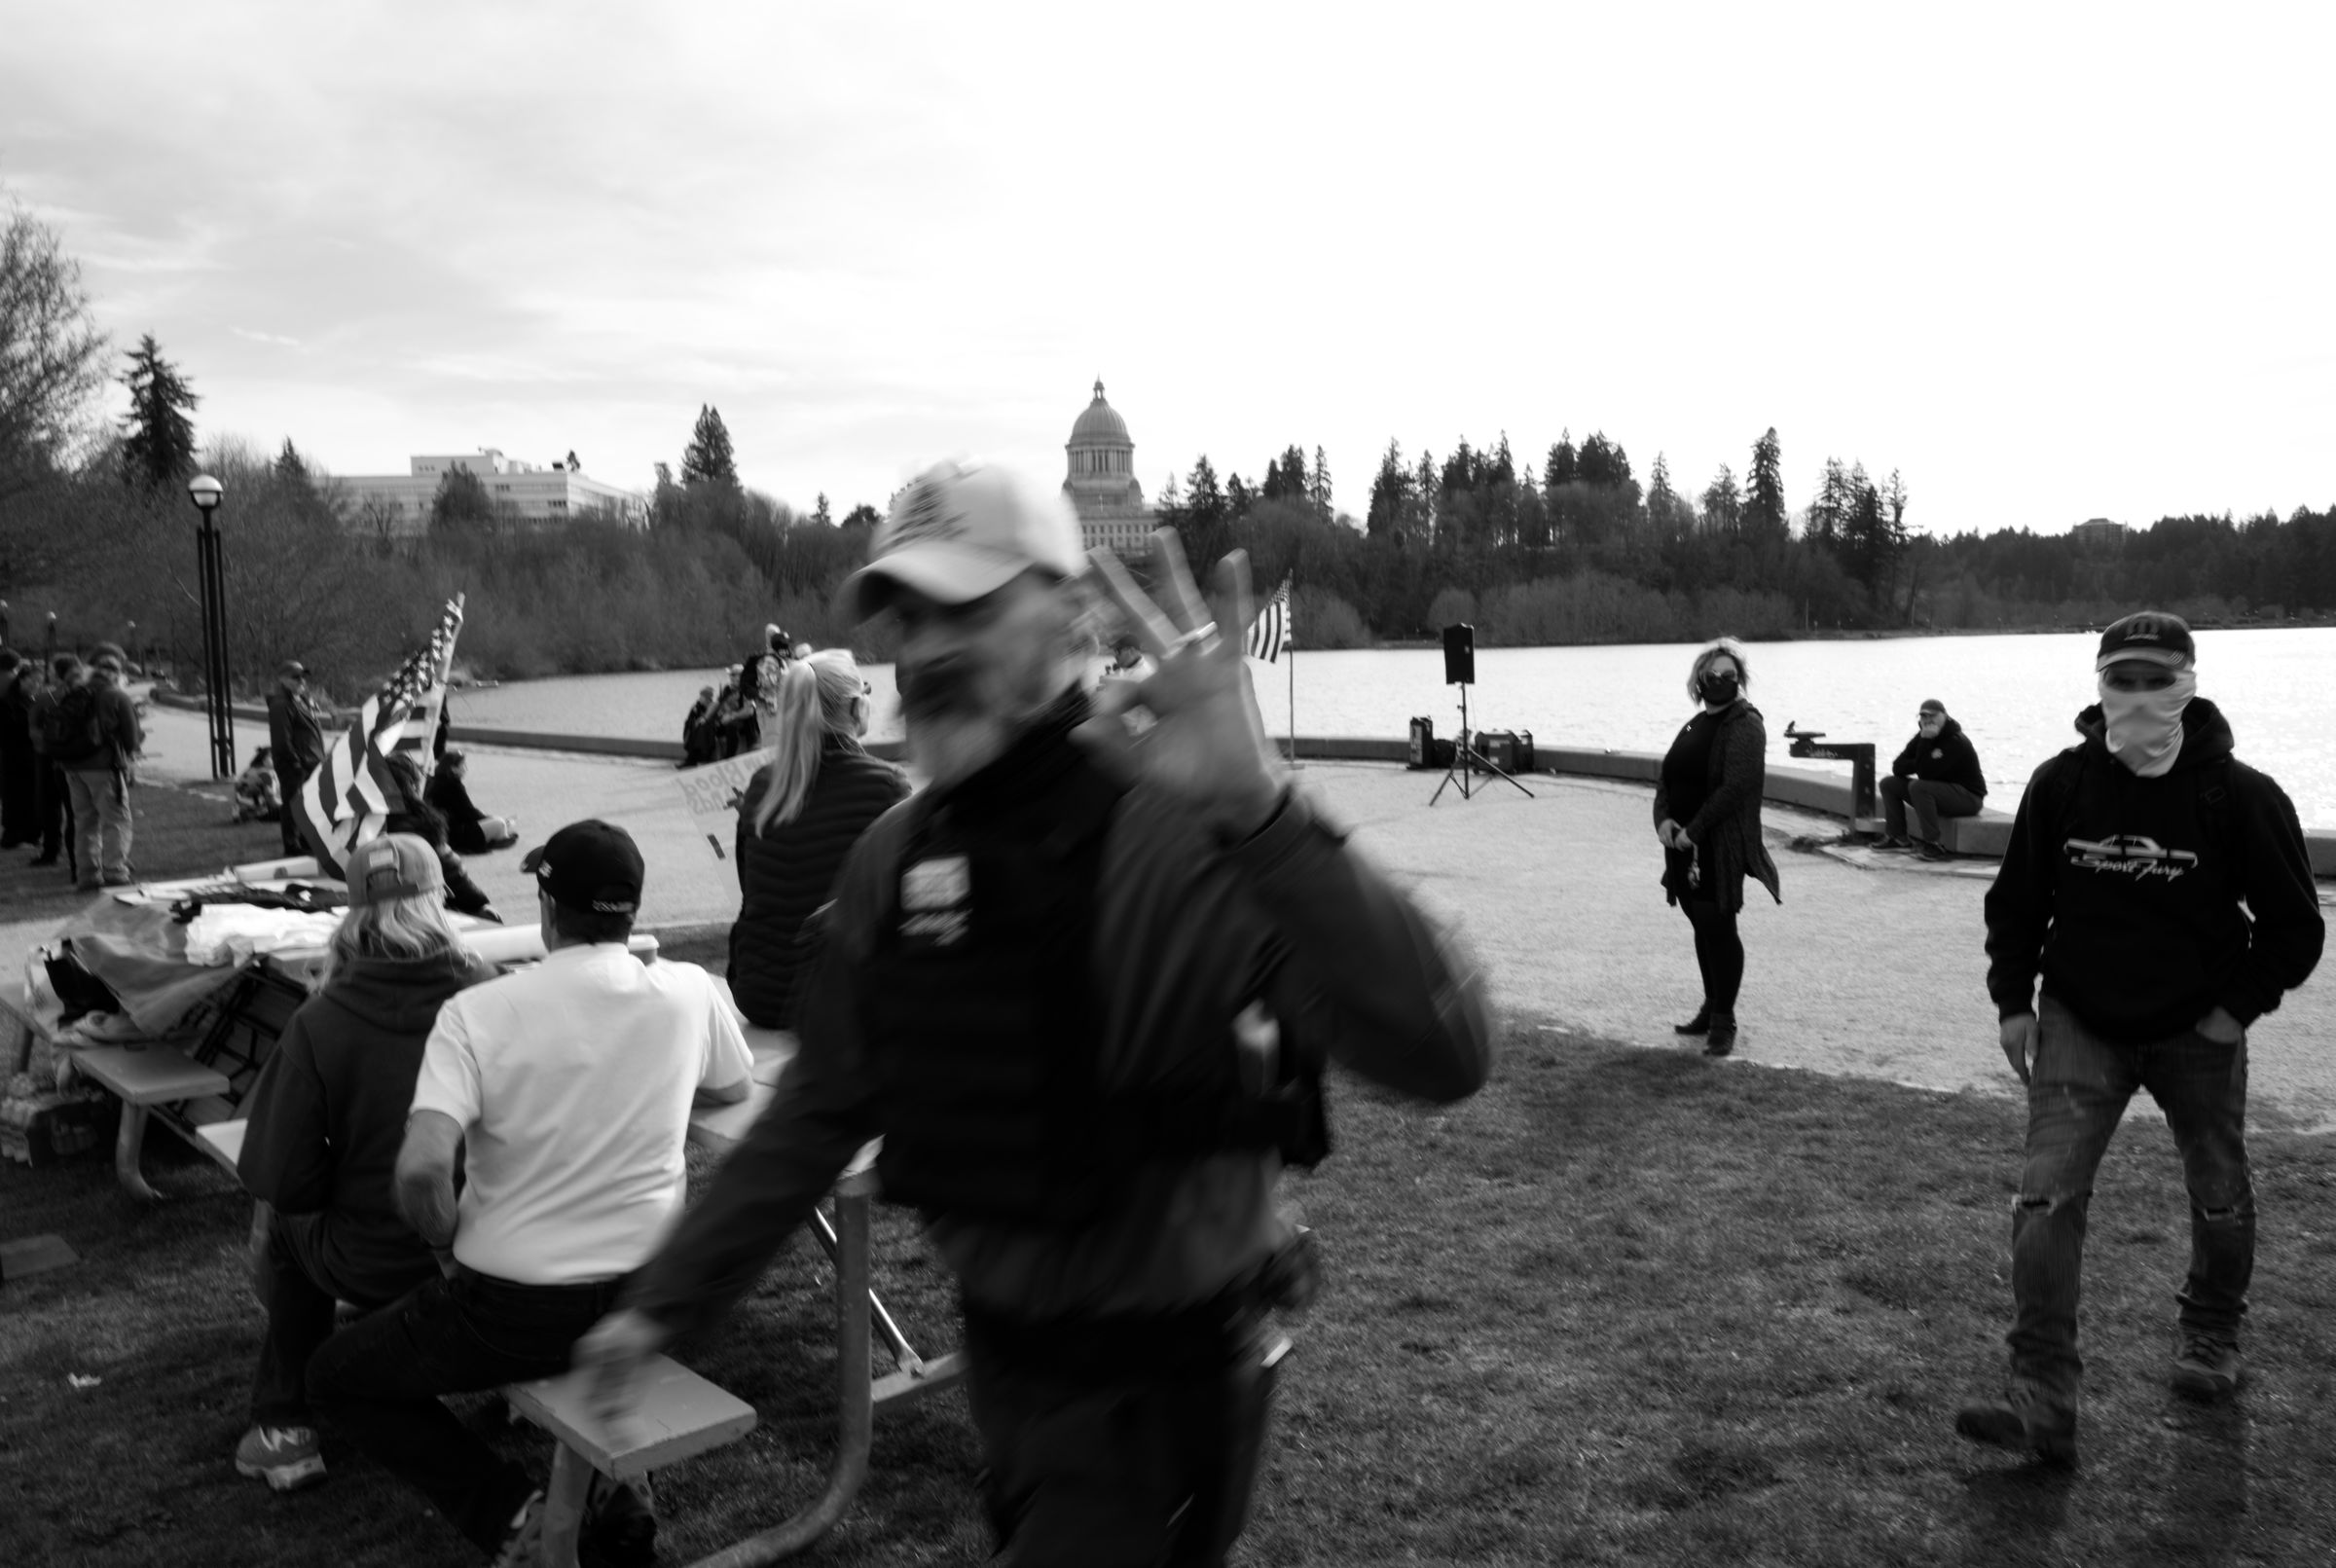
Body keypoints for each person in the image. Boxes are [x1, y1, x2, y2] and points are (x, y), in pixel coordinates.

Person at [574, 458, 1492, 1566]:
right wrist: (662, 1305)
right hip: (1012, 1375)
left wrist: (1260, 813)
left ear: (1068, 614)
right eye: (904, 618)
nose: (922, 652)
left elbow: (1447, 1052)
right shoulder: (895, 857)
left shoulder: (1176, 828)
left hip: (1158, 1397)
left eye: (964, 606)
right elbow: (817, 1109)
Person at [307, 820, 753, 1565]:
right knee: (562, 1351)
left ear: (547, 907)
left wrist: (444, 1244)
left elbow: (421, 1170)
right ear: (632, 908)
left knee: (336, 1378)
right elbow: (734, 1082)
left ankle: (516, 1517)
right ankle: (620, 1490)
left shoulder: (479, 1012)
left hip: (511, 1308)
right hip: (649, 1297)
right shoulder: (687, 989)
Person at [1958, 611, 2322, 1464]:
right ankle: (2042, 1400)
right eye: (2122, 678)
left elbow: (2295, 928)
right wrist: (2016, 1002)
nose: (2139, 695)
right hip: (2082, 1020)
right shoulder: (2060, 786)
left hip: (2199, 1027)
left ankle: (2210, 1336)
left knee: (2219, 1189)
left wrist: (2234, 1008)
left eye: (2157, 678)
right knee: (2045, 1202)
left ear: (2189, 680)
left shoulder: (2241, 795)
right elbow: (2015, 905)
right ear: (2099, 684)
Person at [232, 833, 497, 1492]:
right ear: (439, 900)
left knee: (286, 1226)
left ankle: (284, 1427)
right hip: (497, 1244)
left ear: (353, 914)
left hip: (380, 1254)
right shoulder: (495, 996)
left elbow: (280, 1177)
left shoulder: (321, 1020)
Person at [727, 649, 908, 1029]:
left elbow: (749, 889)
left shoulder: (763, 784)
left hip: (759, 993)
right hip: (845, 998)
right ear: (858, 708)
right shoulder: (887, 785)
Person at [1653, 637, 1781, 1059]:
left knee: (1720, 928)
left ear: (1739, 680)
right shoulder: (1694, 724)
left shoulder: (1745, 724)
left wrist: (1695, 830)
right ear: (1700, 681)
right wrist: (1664, 820)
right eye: (1713, 676)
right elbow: (1667, 777)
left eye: (1729, 675)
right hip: (1680, 844)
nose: (1721, 681)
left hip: (1718, 846)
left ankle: (1724, 1020)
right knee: (1700, 924)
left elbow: (1735, 788)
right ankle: (1710, 1006)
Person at [55, 645, 142, 890]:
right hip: (104, 767)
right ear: (116, 674)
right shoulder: (116, 696)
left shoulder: (75, 691)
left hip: (72, 767)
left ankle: (88, 873)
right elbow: (132, 740)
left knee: (84, 821)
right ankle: (115, 871)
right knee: (116, 820)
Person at [381, 753, 497, 920]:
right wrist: (480, 903)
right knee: (498, 824)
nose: (465, 769)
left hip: (378, 915)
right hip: (421, 914)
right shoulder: (421, 824)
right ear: (411, 786)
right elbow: (453, 874)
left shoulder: (361, 825)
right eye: (462, 765)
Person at [1878, 699, 1988, 859]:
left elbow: (1926, 773)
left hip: (1968, 798)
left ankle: (1933, 844)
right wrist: (1925, 749)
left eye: (1933, 716)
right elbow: (1898, 767)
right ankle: (1897, 838)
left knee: (1918, 787)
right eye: (1923, 716)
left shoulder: (1955, 741)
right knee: (1889, 783)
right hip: (1939, 793)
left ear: (1945, 716)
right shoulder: (1923, 736)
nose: (1927, 720)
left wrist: (1925, 747)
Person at [267, 661, 333, 857]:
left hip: (309, 763)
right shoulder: (281, 705)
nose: (301, 681)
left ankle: (304, 841)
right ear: (283, 680)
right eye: (296, 677)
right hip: (295, 765)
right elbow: (281, 740)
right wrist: (295, 763)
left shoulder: (299, 701)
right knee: (293, 804)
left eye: (303, 677)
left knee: (308, 804)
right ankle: (292, 844)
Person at [25, 654, 75, 870]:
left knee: (49, 804)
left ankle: (51, 850)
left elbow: (32, 727)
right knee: (76, 809)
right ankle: (78, 854)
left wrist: (44, 742)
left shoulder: (44, 699)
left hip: (46, 755)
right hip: (73, 755)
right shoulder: (84, 695)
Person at [423, 749, 518, 854]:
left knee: (498, 821)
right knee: (500, 823)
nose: (466, 769)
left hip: (442, 832)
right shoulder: (453, 785)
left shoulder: (436, 781)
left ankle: (499, 834)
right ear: (453, 769)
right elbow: (469, 813)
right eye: (463, 766)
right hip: (455, 836)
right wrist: (490, 818)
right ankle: (497, 838)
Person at [0, 649, 34, 848]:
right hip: (20, 745)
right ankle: (18, 833)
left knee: (10, 791)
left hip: (6, 744)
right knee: (22, 791)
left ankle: (11, 831)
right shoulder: (12, 681)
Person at [233, 747, 284, 823]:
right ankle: (251, 816)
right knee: (294, 811)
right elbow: (272, 802)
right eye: (272, 757)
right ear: (264, 760)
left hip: (241, 810)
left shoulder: (251, 770)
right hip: (258, 812)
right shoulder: (265, 774)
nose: (277, 760)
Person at [679, 684, 718, 767]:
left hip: (710, 732)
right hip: (698, 732)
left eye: (702, 697)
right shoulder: (697, 707)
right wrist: (694, 712)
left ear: (708, 699)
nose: (699, 698)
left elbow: (713, 720)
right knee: (691, 725)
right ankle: (691, 758)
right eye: (700, 696)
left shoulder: (713, 706)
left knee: (701, 728)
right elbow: (690, 720)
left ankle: (698, 757)